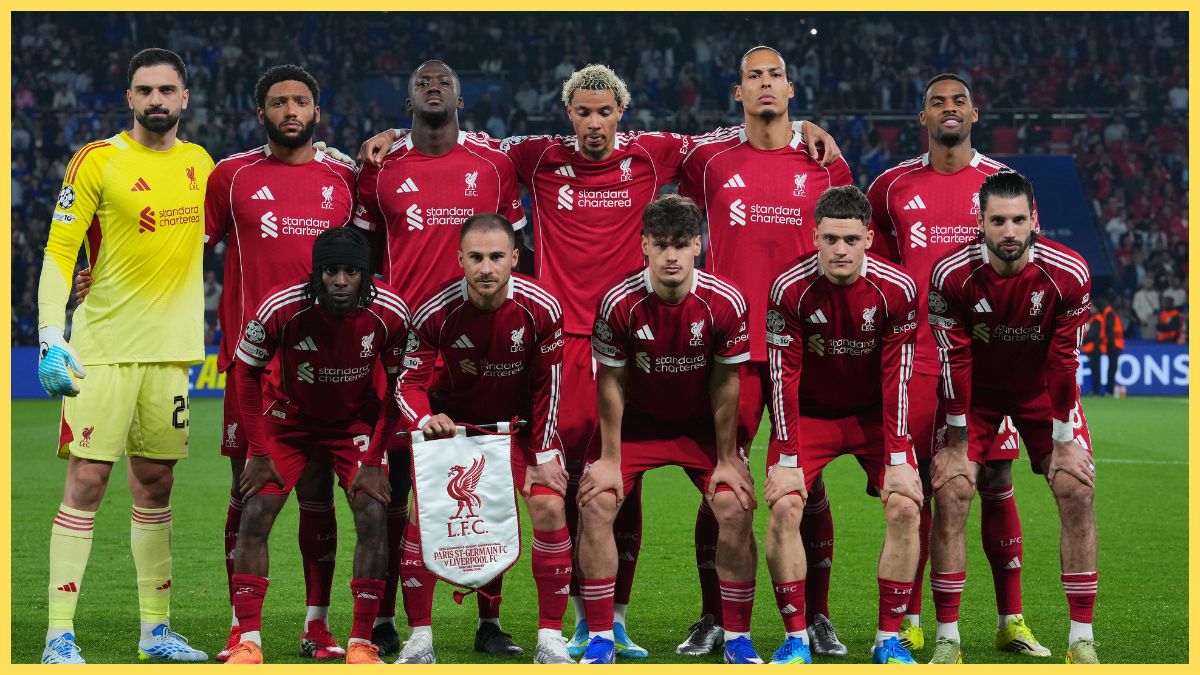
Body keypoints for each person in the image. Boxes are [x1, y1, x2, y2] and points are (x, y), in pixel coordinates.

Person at [359, 64, 840, 660]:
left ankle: (613, 620)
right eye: (583, 112)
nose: (593, 122)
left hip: (631, 338)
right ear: (569, 114)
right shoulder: (536, 156)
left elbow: (730, 136)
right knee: (569, 483)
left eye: (604, 111)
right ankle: (573, 624)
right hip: (560, 343)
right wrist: (394, 137)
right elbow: (462, 139)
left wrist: (801, 126)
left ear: (620, 113)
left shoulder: (652, 154)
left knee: (624, 483)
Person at [675, 46, 854, 657]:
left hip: (808, 349)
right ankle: (714, 616)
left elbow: (850, 246)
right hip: (733, 349)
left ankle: (818, 617)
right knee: (722, 483)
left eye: (775, 75)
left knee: (809, 485)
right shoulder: (708, 160)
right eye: (754, 76)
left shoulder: (825, 162)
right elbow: (652, 160)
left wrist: (811, 131)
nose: (766, 84)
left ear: (791, 88)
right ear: (739, 92)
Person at [36, 48, 212, 665]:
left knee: (156, 485)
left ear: (184, 97)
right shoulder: (98, 160)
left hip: (171, 354)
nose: (155, 100)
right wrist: (50, 332)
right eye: (144, 90)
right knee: (87, 481)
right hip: (104, 350)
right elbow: (60, 251)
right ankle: (59, 634)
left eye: (166, 90)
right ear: (129, 98)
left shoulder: (201, 164)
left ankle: (155, 632)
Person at [352, 60, 527, 657]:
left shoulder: (494, 163)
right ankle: (384, 620)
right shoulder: (380, 167)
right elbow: (365, 253)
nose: (433, 86)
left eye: (444, 81)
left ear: (460, 97)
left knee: (490, 489)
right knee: (396, 492)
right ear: (408, 100)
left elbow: (516, 249)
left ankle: (490, 623)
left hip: (481, 346)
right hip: (406, 351)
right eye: (422, 81)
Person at [866, 73, 1045, 658]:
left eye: (959, 101)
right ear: (922, 117)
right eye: (937, 102)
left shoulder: (1002, 186)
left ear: (974, 114)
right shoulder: (891, 187)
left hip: (989, 365)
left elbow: (1027, 268)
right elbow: (878, 275)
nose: (949, 109)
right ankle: (911, 620)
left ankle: (1011, 619)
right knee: (917, 486)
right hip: (917, 361)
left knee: (996, 481)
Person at [203, 63, 358, 662]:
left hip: (327, 366)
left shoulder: (345, 176)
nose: (290, 111)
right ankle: (241, 629)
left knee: (318, 494)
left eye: (300, 101)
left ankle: (318, 627)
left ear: (317, 111)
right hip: (253, 364)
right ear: (260, 112)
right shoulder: (231, 176)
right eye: (278, 102)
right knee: (249, 492)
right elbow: (185, 248)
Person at [579, 194, 761, 665]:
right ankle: (600, 636)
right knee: (597, 502)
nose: (671, 256)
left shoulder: (725, 301)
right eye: (660, 245)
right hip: (636, 425)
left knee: (735, 505)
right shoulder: (619, 301)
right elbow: (611, 381)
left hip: (699, 428)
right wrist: (610, 459)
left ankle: (738, 638)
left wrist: (727, 459)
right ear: (644, 245)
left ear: (698, 244)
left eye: (681, 244)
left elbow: (726, 382)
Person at [927, 170, 1099, 664]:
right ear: (979, 222)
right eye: (998, 220)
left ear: (1034, 220)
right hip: (975, 396)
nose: (1009, 231)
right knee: (953, 491)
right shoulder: (951, 275)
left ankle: (1081, 640)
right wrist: (957, 443)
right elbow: (955, 360)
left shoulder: (1068, 272)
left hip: (1040, 392)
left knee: (1076, 488)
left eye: (1018, 220)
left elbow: (1063, 361)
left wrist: (1063, 440)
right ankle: (948, 640)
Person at [391, 213, 573, 665]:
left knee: (550, 506)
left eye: (496, 257)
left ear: (514, 258)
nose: (486, 268)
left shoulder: (542, 307)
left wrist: (543, 453)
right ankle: (419, 640)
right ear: (460, 259)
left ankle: (550, 640)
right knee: (420, 516)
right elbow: (408, 383)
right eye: (476, 257)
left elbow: (548, 386)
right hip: (455, 431)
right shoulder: (435, 311)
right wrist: (426, 418)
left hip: (517, 430)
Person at [223, 227, 410, 665]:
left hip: (353, 422)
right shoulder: (281, 307)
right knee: (256, 510)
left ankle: (361, 643)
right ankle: (248, 640)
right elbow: (246, 373)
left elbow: (397, 387)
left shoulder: (391, 312)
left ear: (365, 274)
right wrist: (259, 451)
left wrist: (373, 457)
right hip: (289, 420)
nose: (340, 281)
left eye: (350, 272)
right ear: (316, 273)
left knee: (372, 511)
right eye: (330, 271)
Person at [763, 185, 921, 665]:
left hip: (872, 416)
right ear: (814, 237)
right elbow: (782, 379)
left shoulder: (897, 289)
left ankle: (888, 640)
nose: (840, 250)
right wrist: (788, 458)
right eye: (830, 239)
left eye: (851, 240)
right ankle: (796, 640)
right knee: (785, 507)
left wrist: (898, 457)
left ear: (869, 239)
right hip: (810, 416)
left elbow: (897, 377)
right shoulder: (789, 289)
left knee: (906, 507)